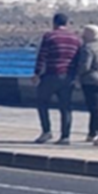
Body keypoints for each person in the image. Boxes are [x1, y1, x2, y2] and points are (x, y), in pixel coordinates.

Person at [31, 11, 81, 144]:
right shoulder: (76, 38)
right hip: (68, 76)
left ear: (54, 23)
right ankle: (65, 136)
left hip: (51, 74)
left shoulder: (49, 36)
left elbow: (42, 56)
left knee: (42, 102)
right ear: (67, 23)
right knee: (66, 107)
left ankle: (46, 131)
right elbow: (78, 59)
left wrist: (36, 73)